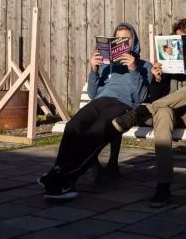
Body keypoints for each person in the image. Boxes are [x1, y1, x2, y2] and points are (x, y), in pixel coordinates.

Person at [111, 18, 186, 208]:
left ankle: (141, 111)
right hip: (170, 115)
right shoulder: (168, 66)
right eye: (178, 38)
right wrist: (157, 79)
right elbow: (157, 99)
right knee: (162, 112)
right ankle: (163, 185)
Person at [39, 22, 152, 200]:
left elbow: (139, 98)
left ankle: (65, 179)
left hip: (122, 104)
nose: (123, 44)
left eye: (127, 40)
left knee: (96, 131)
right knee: (73, 126)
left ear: (134, 42)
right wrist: (94, 69)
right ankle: (58, 171)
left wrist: (133, 69)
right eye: (118, 39)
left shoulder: (144, 66)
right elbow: (92, 94)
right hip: (100, 101)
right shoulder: (108, 65)